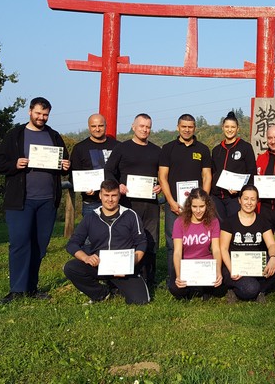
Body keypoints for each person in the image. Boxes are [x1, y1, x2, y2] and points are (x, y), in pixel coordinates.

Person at [0, 96, 70, 304]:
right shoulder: (15, 135)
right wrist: (14, 164)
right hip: (21, 200)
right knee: (19, 243)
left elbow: (64, 163)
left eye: (45, 114)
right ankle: (16, 290)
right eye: (38, 113)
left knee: (39, 245)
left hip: (47, 201)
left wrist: (65, 167)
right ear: (30, 112)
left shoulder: (53, 136)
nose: (41, 117)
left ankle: (31, 288)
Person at [63, 180, 150, 305]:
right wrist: (86, 258)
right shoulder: (91, 217)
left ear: (119, 195)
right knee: (70, 268)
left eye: (114, 195)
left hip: (124, 268)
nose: (110, 200)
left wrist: (131, 264)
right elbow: (72, 244)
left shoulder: (131, 215)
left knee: (140, 301)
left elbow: (141, 243)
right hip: (99, 265)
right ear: (100, 196)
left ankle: (117, 286)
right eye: (106, 195)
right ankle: (101, 293)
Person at [105, 113, 162, 293]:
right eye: (142, 126)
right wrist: (118, 186)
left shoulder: (157, 151)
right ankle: (122, 278)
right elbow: (108, 171)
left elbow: (163, 175)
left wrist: (160, 185)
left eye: (148, 127)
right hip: (127, 203)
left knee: (150, 240)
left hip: (150, 204)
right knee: (126, 240)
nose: (145, 129)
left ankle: (148, 279)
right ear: (133, 126)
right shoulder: (122, 148)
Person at [159, 114, 212, 281]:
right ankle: (174, 278)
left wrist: (203, 202)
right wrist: (170, 201)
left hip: (197, 205)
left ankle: (200, 277)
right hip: (174, 204)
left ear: (195, 128)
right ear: (178, 127)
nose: (187, 130)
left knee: (201, 241)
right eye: (184, 126)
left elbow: (207, 177)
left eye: (190, 127)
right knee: (172, 243)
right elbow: (162, 177)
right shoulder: (167, 148)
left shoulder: (203, 149)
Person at [219, 185, 275, 303]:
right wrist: (232, 269)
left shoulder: (262, 220)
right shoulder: (229, 221)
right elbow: (223, 248)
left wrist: (272, 257)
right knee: (250, 289)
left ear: (257, 201)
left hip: (255, 264)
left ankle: (261, 290)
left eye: (253, 199)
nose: (249, 202)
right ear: (239, 200)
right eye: (246, 198)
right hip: (234, 266)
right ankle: (234, 290)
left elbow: (272, 244)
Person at [169, 188, 223, 300]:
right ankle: (197, 289)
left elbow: (216, 249)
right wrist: (179, 275)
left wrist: (218, 271)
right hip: (187, 265)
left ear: (207, 205)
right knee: (175, 289)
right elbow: (177, 252)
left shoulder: (214, 221)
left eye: (202, 206)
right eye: (194, 207)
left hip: (206, 264)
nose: (198, 210)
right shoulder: (179, 222)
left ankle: (201, 289)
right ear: (189, 206)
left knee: (221, 286)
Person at [211, 110, 257, 224]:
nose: (229, 130)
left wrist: (241, 190)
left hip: (235, 198)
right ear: (222, 128)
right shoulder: (216, 150)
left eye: (232, 127)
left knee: (234, 226)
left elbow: (252, 173)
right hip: (217, 198)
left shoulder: (245, 147)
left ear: (238, 129)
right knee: (219, 229)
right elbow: (212, 172)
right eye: (227, 126)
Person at [69, 114, 118, 216]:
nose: (97, 129)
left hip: (115, 200)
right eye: (93, 126)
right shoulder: (79, 148)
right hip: (91, 201)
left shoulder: (118, 146)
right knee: (92, 231)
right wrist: (84, 188)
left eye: (100, 126)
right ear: (88, 127)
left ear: (106, 125)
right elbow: (73, 175)